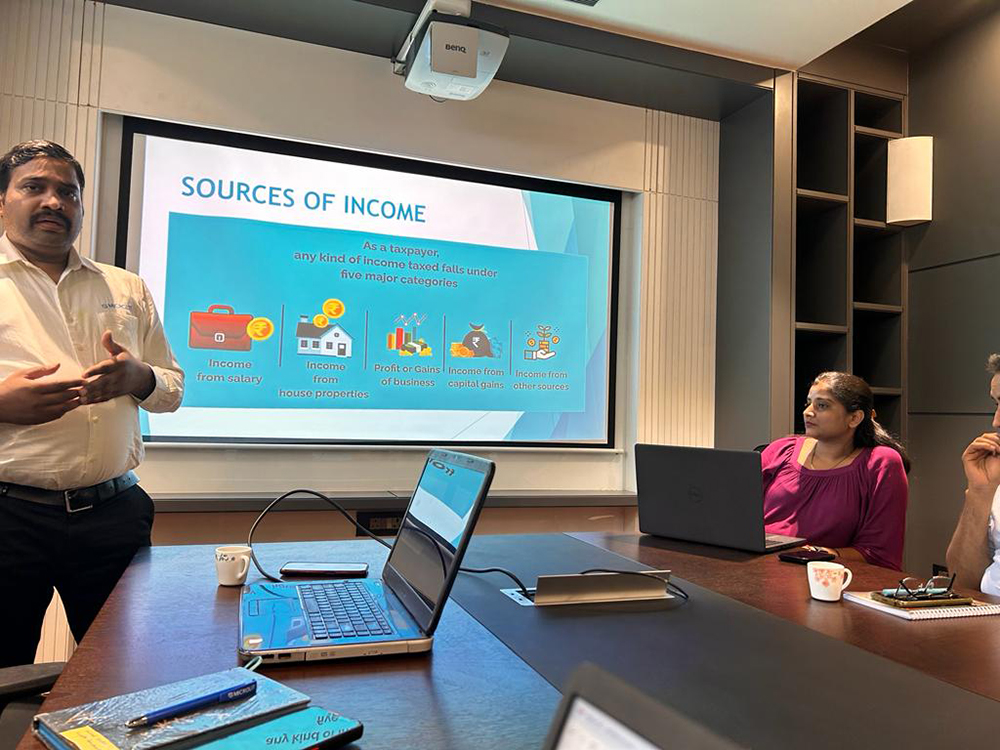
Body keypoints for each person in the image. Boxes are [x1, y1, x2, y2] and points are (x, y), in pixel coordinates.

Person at [0, 140, 184, 667]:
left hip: (114, 515)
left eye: (68, 192)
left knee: (123, 671)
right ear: (2, 201)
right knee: (4, 670)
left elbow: (172, 388)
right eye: (34, 187)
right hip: (9, 518)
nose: (54, 201)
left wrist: (138, 376)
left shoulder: (126, 287)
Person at [760, 372, 909, 570]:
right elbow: (739, 516)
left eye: (822, 405)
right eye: (808, 403)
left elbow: (879, 553)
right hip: (757, 564)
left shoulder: (880, 463)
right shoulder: (780, 449)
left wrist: (822, 553)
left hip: (822, 575)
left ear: (854, 418)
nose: (807, 412)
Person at [945, 354, 1000, 592]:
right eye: (996, 404)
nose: (996, 422)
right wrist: (980, 491)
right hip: (986, 611)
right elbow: (963, 581)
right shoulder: (995, 477)